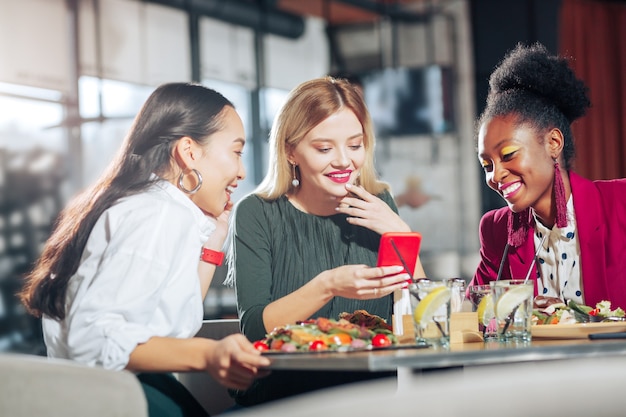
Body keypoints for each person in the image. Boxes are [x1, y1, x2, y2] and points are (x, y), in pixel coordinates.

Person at [19, 83, 270, 417]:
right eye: (237, 152)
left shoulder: (153, 206)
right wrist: (208, 355)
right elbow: (93, 338)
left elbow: (168, 320)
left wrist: (213, 242)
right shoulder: (158, 213)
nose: (241, 172)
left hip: (117, 392)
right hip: (119, 398)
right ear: (189, 151)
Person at [225, 76, 425, 406]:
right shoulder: (257, 213)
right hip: (283, 399)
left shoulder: (381, 203)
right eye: (324, 148)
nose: (344, 161)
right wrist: (329, 285)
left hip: (369, 398)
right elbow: (256, 330)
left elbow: (420, 315)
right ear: (290, 151)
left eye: (355, 144)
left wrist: (400, 232)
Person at [470, 43, 626, 309]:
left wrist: (575, 318)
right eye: (487, 165)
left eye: (508, 155)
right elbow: (473, 316)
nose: (495, 176)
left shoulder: (620, 203)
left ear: (553, 142)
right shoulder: (497, 230)